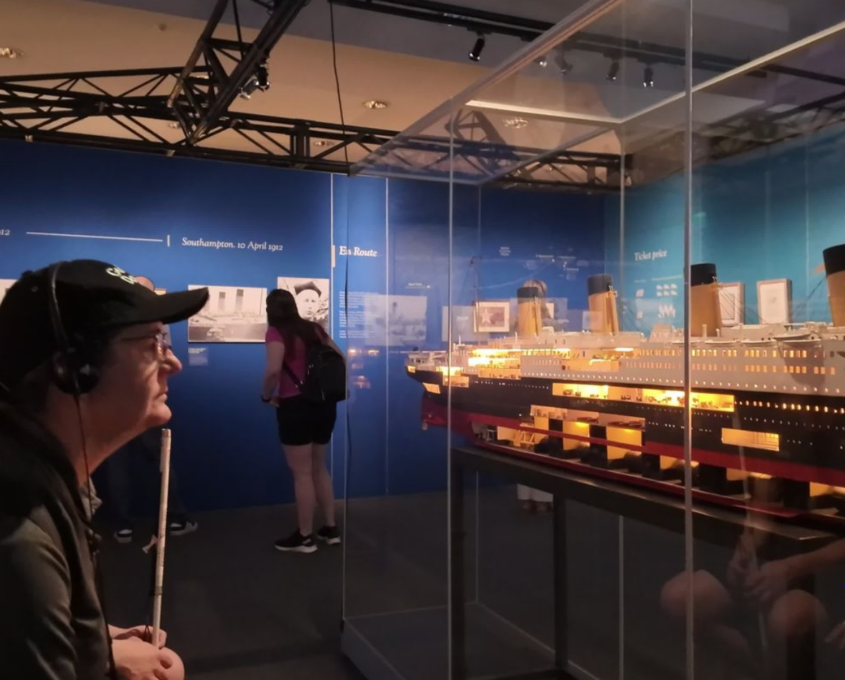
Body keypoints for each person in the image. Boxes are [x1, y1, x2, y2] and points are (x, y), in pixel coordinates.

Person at [0, 259, 208, 679]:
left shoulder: (43, 478)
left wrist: (100, 645)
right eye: (151, 344)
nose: (173, 363)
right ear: (75, 370)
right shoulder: (20, 539)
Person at [106, 275, 197, 543]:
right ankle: (176, 518)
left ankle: (124, 524)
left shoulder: (112, 319)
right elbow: (164, 358)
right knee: (160, 461)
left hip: (114, 402)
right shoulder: (156, 320)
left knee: (118, 465)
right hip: (144, 400)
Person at [262, 288, 342, 553]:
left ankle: (305, 536)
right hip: (324, 405)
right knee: (319, 467)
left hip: (295, 406)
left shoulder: (276, 333)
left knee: (302, 474)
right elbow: (340, 357)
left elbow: (273, 370)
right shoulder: (314, 329)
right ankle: (330, 528)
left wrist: (266, 396)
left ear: (270, 310)